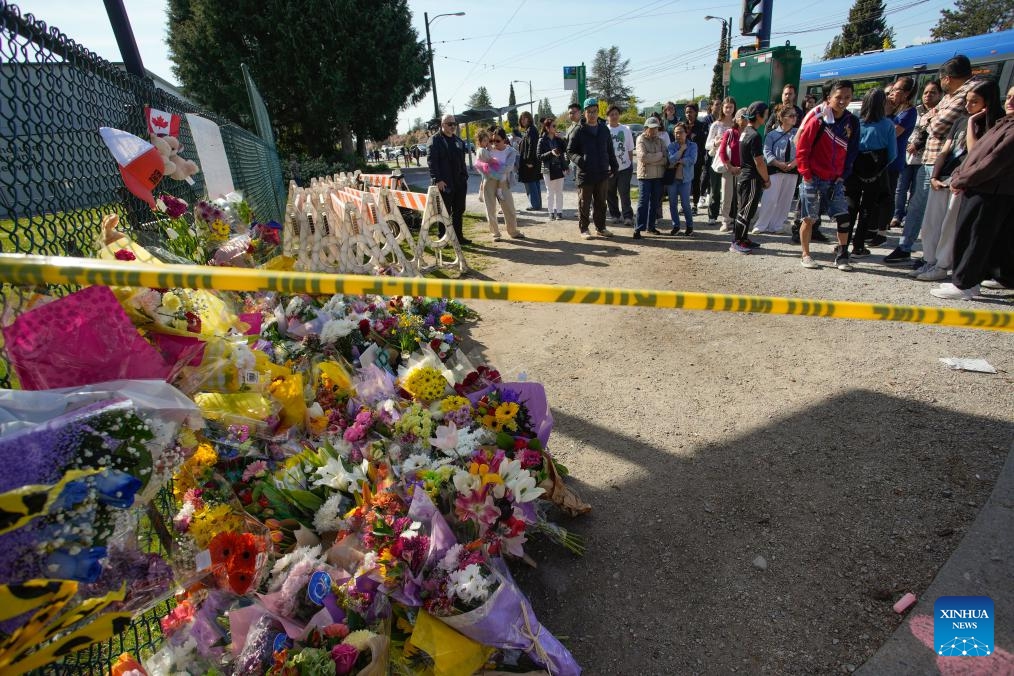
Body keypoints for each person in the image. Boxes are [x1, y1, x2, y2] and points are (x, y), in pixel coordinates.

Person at [885, 55, 981, 266]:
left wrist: (930, 119)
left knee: (937, 215)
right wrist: (931, 118)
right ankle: (915, 250)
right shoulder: (951, 96)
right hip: (930, 160)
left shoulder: (966, 94)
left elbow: (936, 126)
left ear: (947, 78)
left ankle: (934, 259)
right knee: (921, 209)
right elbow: (930, 119)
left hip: (947, 164)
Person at [930, 85, 1014, 299]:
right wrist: (961, 174)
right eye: (1010, 96)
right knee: (981, 236)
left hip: (993, 191)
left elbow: (993, 162)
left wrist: (962, 179)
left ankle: (965, 284)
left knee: (975, 236)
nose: (1010, 101)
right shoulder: (1003, 123)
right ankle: (984, 278)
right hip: (982, 187)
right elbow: (975, 153)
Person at [917, 79, 1003, 282]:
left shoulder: (993, 124)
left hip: (963, 181)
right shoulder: (959, 121)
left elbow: (975, 154)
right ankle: (929, 260)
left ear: (987, 103)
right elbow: (945, 150)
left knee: (950, 225)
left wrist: (973, 123)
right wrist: (935, 176)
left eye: (974, 102)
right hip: (944, 176)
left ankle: (942, 264)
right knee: (931, 222)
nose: (968, 106)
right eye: (967, 101)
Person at [795, 79, 860, 270]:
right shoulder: (818, 120)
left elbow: (853, 150)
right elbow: (802, 149)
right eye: (838, 97)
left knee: (843, 216)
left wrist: (844, 174)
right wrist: (806, 174)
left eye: (847, 97)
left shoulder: (852, 122)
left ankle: (842, 255)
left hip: (836, 179)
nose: (843, 101)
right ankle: (806, 254)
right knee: (809, 218)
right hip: (812, 177)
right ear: (829, 98)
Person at [845, 88, 896, 258]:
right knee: (867, 208)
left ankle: (842, 244)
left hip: (853, 170)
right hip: (875, 171)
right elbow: (892, 154)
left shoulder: (855, 122)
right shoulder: (887, 124)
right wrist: (879, 168)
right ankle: (858, 246)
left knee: (850, 206)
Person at [868, 76, 918, 247]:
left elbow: (890, 134)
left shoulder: (909, 112)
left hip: (892, 161)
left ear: (907, 94)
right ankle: (871, 229)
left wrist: (887, 113)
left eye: (897, 90)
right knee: (873, 197)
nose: (892, 95)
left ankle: (882, 232)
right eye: (892, 90)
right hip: (876, 161)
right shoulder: (891, 110)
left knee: (885, 197)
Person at [890, 80, 942, 233]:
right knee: (900, 188)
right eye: (926, 92)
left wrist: (917, 144)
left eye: (932, 93)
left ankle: (909, 217)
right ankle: (897, 214)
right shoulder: (915, 110)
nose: (928, 96)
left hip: (925, 157)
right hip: (906, 154)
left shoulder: (936, 112)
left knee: (916, 191)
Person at [566, 97, 618, 239]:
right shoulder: (578, 130)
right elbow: (570, 151)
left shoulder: (604, 130)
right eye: (589, 111)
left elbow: (610, 149)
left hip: (602, 173)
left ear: (598, 111)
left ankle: (601, 228)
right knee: (584, 203)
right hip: (585, 174)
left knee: (601, 203)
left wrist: (614, 165)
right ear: (585, 112)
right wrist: (581, 161)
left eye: (594, 111)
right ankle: (584, 229)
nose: (592, 114)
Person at [752, 104, 798, 234]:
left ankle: (777, 225)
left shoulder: (798, 133)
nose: (794, 118)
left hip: (792, 170)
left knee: (786, 199)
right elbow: (766, 151)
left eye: (795, 115)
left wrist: (795, 163)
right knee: (770, 198)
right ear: (782, 118)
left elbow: (803, 151)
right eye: (791, 116)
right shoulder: (772, 134)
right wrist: (777, 163)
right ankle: (761, 224)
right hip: (775, 169)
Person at [731, 102, 769, 253]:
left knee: (747, 210)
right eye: (765, 114)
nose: (766, 117)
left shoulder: (745, 132)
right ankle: (736, 242)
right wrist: (766, 179)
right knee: (746, 211)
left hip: (745, 177)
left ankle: (744, 239)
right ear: (759, 116)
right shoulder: (754, 135)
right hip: (751, 178)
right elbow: (759, 162)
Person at [428, 114, 471, 245]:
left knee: (459, 210)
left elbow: (462, 161)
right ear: (442, 124)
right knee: (444, 212)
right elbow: (432, 162)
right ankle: (443, 238)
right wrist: (437, 179)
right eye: (449, 124)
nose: (452, 126)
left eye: (454, 124)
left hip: (459, 183)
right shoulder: (435, 140)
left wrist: (465, 177)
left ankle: (459, 237)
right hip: (444, 183)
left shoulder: (458, 141)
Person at [479, 127, 524, 242]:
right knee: (490, 209)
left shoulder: (511, 151)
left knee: (509, 208)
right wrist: (492, 169)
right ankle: (495, 233)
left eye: (497, 141)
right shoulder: (488, 149)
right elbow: (480, 166)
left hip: (503, 183)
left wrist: (492, 168)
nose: (494, 143)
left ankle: (513, 231)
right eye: (492, 141)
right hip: (489, 181)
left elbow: (509, 167)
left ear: (504, 140)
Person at [705, 97, 736, 226]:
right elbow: (707, 144)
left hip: (733, 160)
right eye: (726, 107)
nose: (728, 109)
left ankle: (730, 215)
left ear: (735, 108)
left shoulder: (736, 123)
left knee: (731, 189)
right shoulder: (716, 124)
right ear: (722, 108)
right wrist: (716, 142)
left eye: (731, 107)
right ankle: (713, 215)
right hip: (717, 159)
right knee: (715, 188)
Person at [633, 117, 666, 239]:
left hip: (658, 176)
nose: (654, 131)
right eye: (651, 128)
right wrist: (659, 156)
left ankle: (651, 226)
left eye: (656, 128)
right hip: (645, 176)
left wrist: (653, 160)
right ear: (646, 129)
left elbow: (666, 159)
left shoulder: (661, 141)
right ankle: (638, 228)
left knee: (655, 202)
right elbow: (643, 157)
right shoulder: (640, 139)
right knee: (643, 202)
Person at [716, 107, 747, 233]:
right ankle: (725, 221)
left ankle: (740, 222)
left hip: (743, 170)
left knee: (742, 198)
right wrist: (730, 167)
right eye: (744, 117)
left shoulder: (749, 133)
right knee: (726, 197)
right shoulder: (730, 132)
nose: (746, 120)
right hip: (729, 169)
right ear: (738, 119)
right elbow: (722, 151)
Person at [666, 122, 698, 236]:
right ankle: (676, 226)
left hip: (686, 179)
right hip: (673, 179)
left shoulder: (693, 145)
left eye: (680, 132)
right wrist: (681, 151)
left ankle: (689, 226)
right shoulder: (671, 146)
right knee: (672, 203)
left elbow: (692, 160)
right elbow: (671, 160)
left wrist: (680, 161)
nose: (678, 135)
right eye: (675, 133)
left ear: (686, 133)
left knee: (685, 204)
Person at [605, 105, 635, 225]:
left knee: (624, 192)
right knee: (610, 193)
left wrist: (630, 164)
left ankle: (628, 216)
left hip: (624, 167)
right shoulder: (604, 130)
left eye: (616, 114)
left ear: (619, 115)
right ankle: (615, 215)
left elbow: (630, 148)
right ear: (607, 117)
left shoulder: (626, 129)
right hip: (609, 168)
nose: (614, 116)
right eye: (611, 114)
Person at [538, 117, 568, 221]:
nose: (555, 128)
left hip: (559, 167)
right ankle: (551, 212)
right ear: (547, 128)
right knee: (550, 192)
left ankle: (559, 212)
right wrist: (551, 153)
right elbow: (539, 156)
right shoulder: (541, 140)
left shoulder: (558, 139)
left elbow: (565, 150)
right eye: (553, 126)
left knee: (559, 191)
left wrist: (562, 138)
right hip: (548, 169)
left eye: (556, 126)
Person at [684, 103, 709, 217]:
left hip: (697, 159)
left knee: (695, 183)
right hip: (684, 160)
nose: (689, 114)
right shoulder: (683, 126)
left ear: (696, 113)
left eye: (691, 112)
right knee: (684, 183)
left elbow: (704, 143)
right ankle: (685, 205)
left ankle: (694, 205)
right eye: (687, 112)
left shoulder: (702, 125)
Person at [517, 111, 543, 212]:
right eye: (522, 118)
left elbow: (532, 147)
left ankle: (535, 204)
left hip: (530, 162)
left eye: (525, 118)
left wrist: (529, 161)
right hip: (531, 161)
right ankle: (537, 204)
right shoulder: (530, 130)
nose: (523, 120)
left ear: (529, 119)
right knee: (534, 182)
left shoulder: (531, 130)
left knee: (530, 183)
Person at [564, 102, 582, 179]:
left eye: (573, 112)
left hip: (586, 161)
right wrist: (566, 163)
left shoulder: (586, 125)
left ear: (580, 112)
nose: (571, 115)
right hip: (574, 162)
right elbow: (567, 146)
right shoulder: (569, 128)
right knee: (579, 186)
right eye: (570, 113)